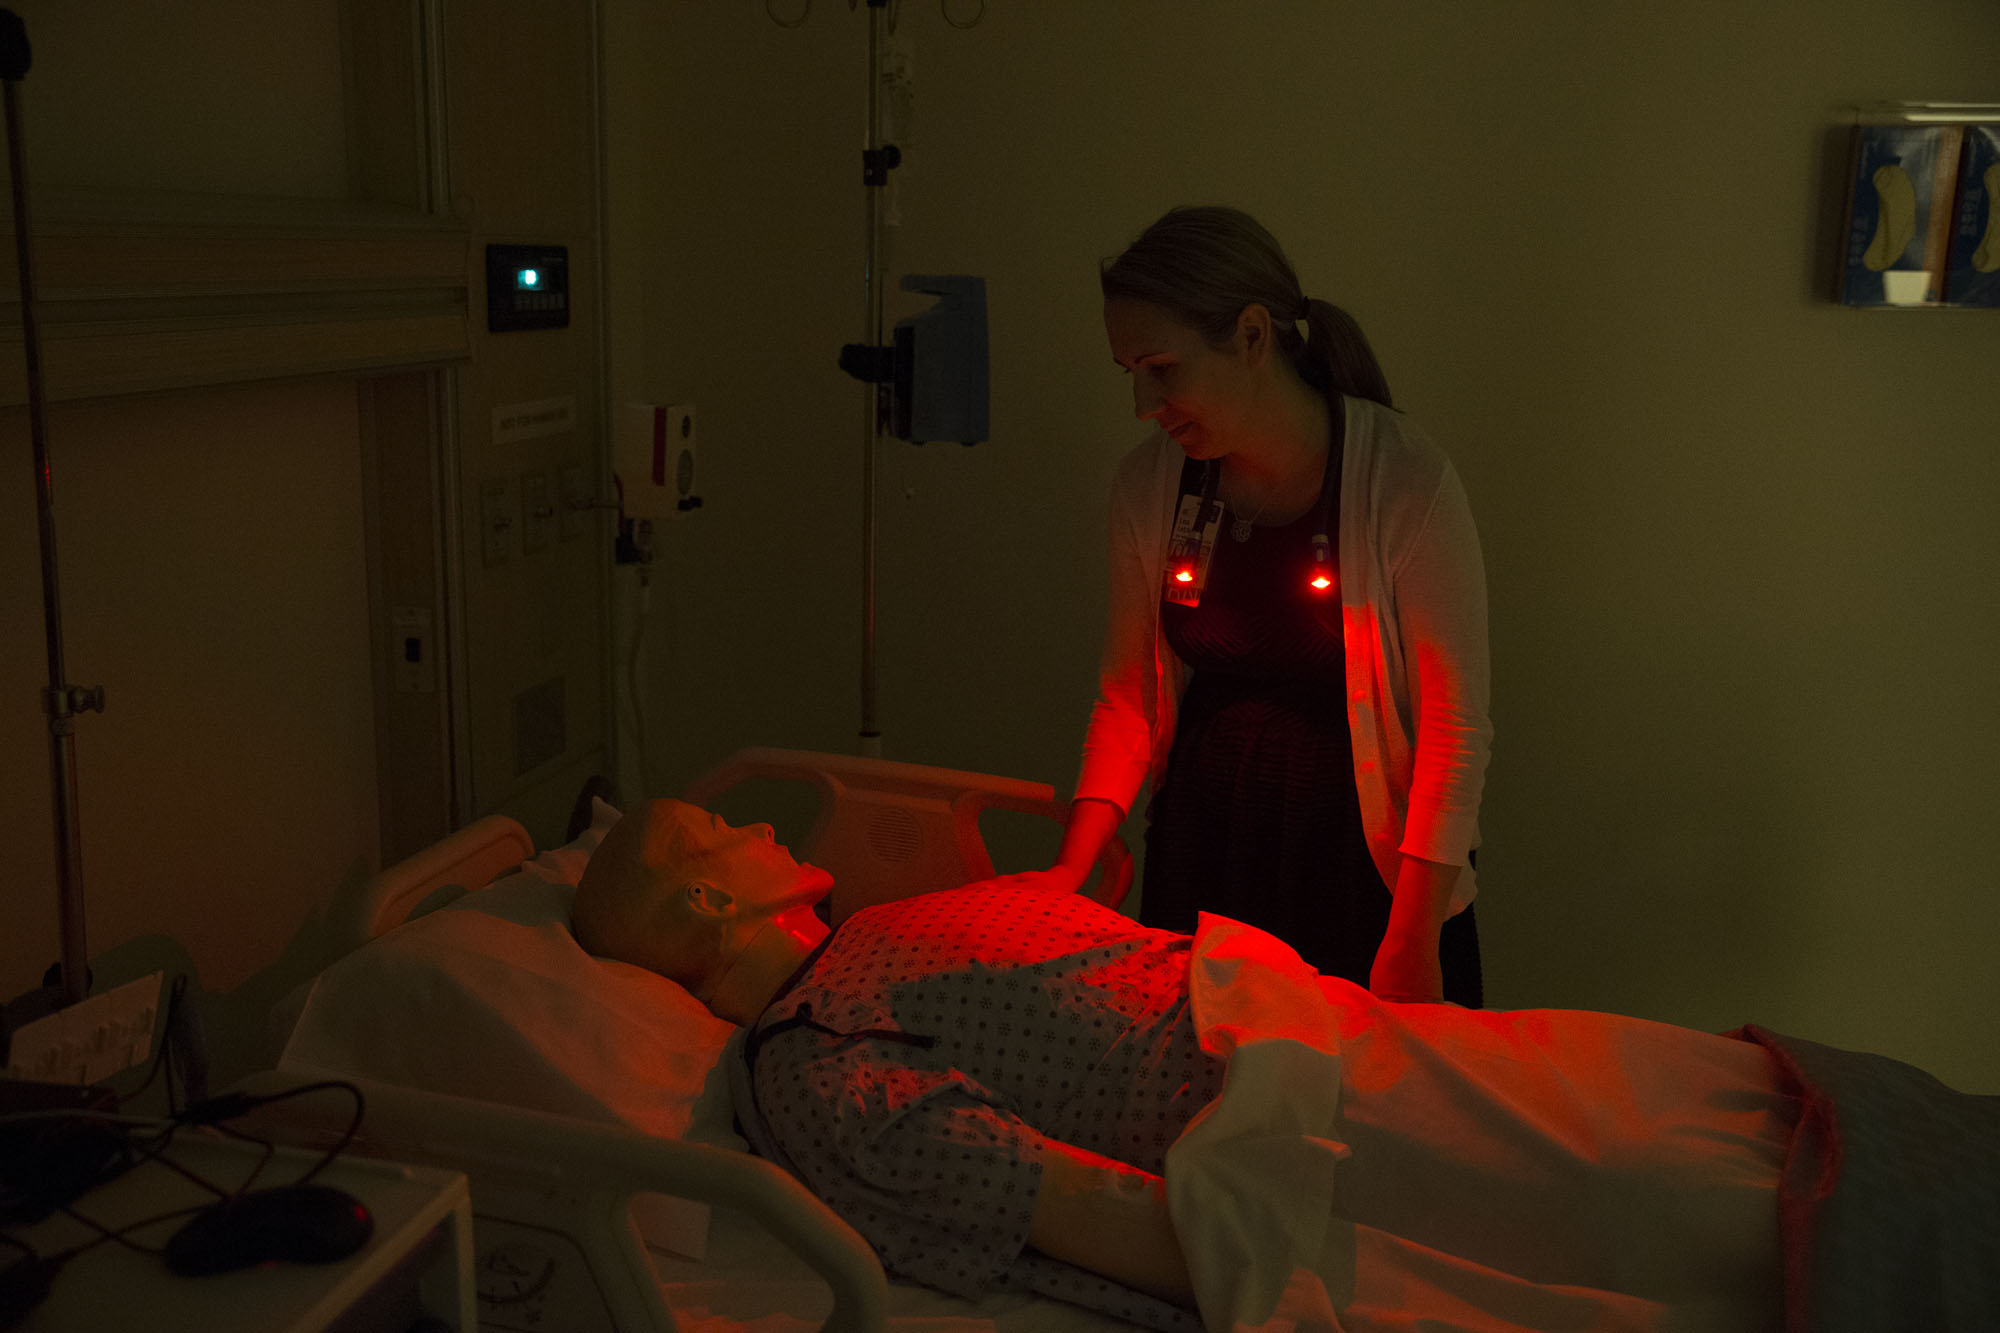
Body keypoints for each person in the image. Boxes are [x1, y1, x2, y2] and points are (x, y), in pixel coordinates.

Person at [573, 799, 1843, 1333]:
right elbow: (1053, 1200)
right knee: (1659, 1190)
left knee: (1661, 1086)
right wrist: (1300, 1276)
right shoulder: (808, 1064)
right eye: (714, 832)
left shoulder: (869, 937)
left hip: (1331, 1037)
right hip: (1302, 1127)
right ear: (703, 900)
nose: (749, 820)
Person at [1030, 206, 1491, 1007]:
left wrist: (1412, 938)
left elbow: (1455, 728)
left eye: (1163, 368)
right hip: (1206, 854)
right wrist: (1072, 867)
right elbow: (1127, 695)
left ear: (1250, 336)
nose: (1144, 403)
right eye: (1129, 372)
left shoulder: (1402, 481)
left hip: (1361, 877)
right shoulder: (1150, 487)